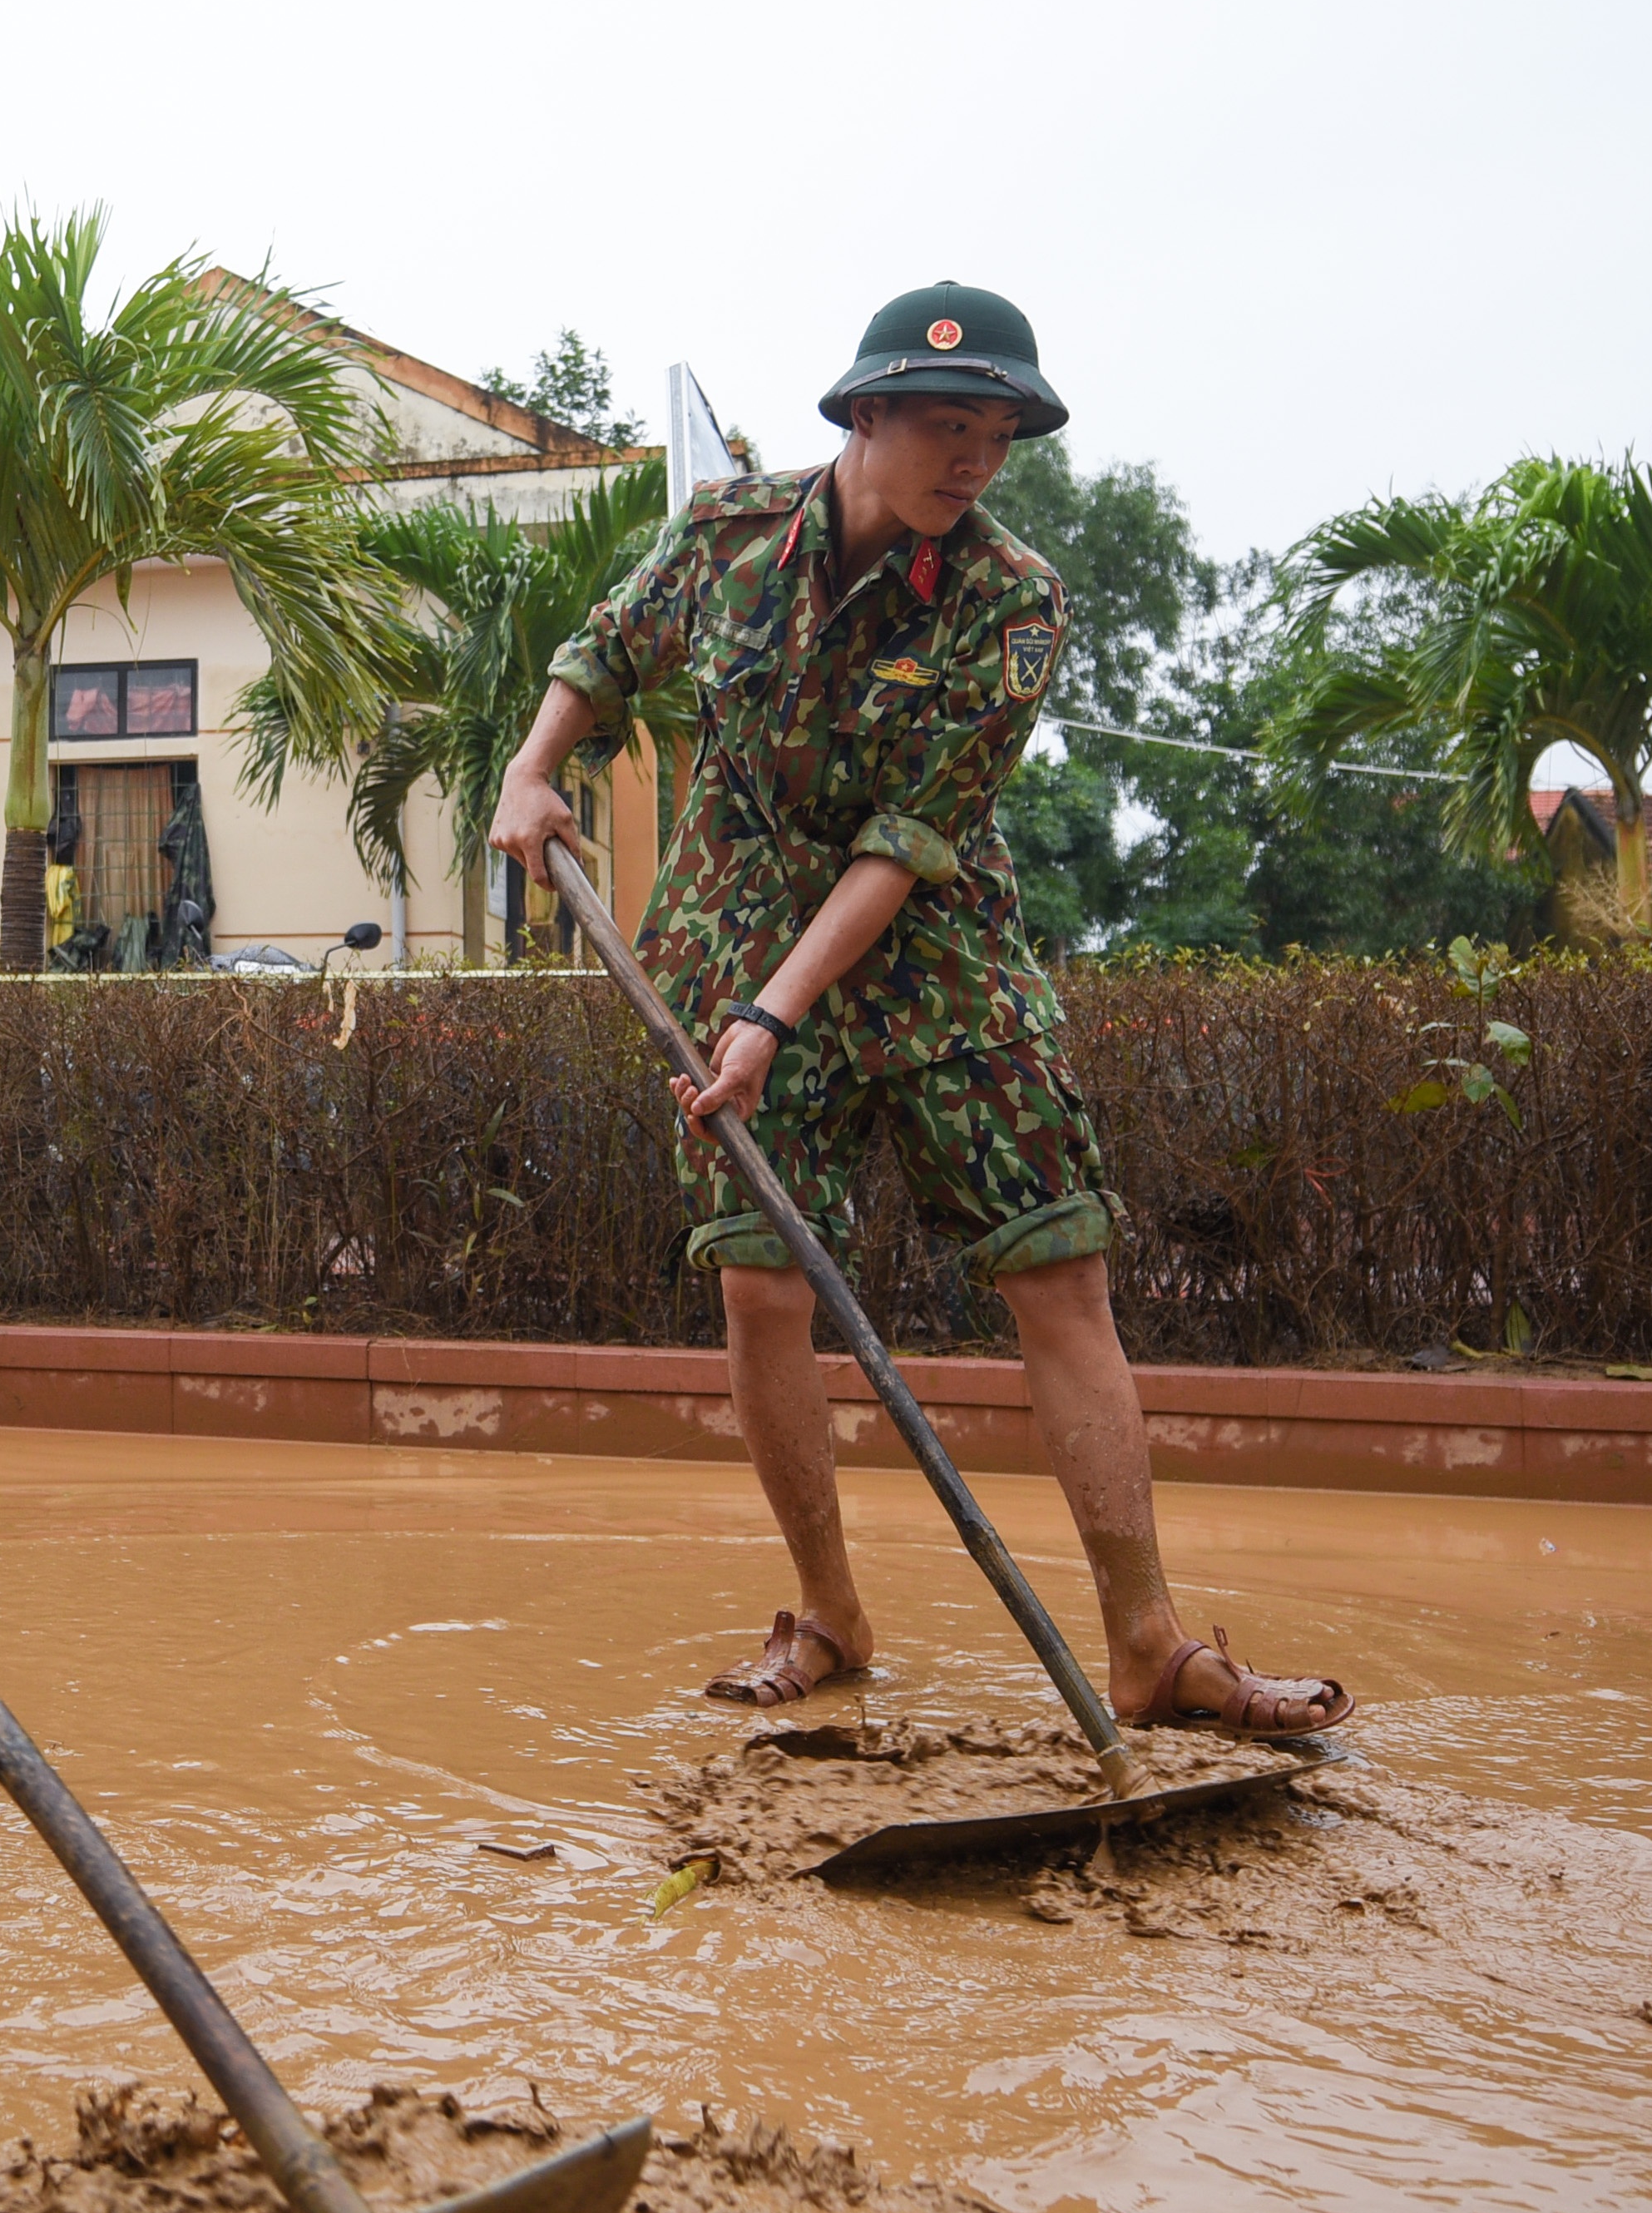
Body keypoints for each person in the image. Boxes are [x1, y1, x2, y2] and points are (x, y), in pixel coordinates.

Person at [487, 282, 1350, 1736]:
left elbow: (904, 840)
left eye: (997, 434)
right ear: (864, 414)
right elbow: (600, 648)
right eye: (947, 425)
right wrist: (530, 767)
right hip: (731, 923)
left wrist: (775, 1015)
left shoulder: (1015, 601)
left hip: (937, 955)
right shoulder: (725, 538)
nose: (974, 460)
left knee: (1058, 1272)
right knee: (761, 1284)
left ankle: (1143, 1644)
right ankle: (827, 1609)